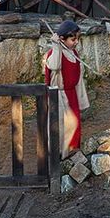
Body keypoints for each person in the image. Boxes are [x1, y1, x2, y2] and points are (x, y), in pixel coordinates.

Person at [44, 20, 89, 158]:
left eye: (77, 39)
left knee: (75, 125)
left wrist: (81, 98)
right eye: (73, 39)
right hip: (60, 95)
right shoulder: (54, 53)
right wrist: (56, 45)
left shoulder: (73, 52)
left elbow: (78, 76)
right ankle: (61, 156)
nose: (76, 42)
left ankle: (73, 154)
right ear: (62, 39)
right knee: (63, 126)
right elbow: (54, 66)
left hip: (72, 94)